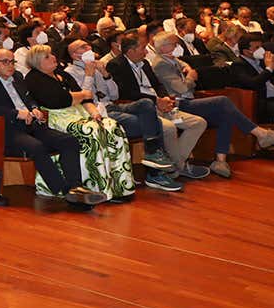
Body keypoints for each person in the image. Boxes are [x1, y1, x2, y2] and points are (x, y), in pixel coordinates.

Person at [148, 31, 274, 178]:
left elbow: (183, 64)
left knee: (225, 115)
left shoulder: (171, 59)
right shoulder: (161, 64)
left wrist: (188, 68)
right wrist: (191, 77)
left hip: (188, 100)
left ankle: (220, 161)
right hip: (176, 105)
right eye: (174, 44)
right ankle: (261, 134)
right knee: (222, 101)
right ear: (163, 48)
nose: (178, 46)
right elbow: (183, 88)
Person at [0, 49, 107, 206]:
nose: (10, 66)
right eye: (5, 62)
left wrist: (34, 108)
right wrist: (16, 113)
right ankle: (65, 191)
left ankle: (75, 187)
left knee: (68, 140)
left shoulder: (17, 76)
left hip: (31, 123)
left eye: (12, 62)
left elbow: (29, 98)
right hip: (7, 128)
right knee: (37, 146)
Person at [63, 39, 181, 191]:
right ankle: (155, 173)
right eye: (83, 47)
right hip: (95, 113)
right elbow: (84, 98)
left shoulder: (99, 66)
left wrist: (105, 74)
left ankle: (152, 154)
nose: (89, 48)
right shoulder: (69, 73)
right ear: (74, 55)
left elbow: (114, 94)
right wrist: (89, 75)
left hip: (112, 106)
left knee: (146, 103)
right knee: (153, 123)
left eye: (88, 45)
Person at [23, 45, 136, 201]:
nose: (54, 57)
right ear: (37, 62)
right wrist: (81, 95)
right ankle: (96, 187)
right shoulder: (34, 79)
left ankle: (119, 186)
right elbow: (61, 100)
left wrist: (94, 112)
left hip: (80, 112)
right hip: (59, 117)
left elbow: (86, 98)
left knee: (112, 126)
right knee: (92, 131)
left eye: (52, 54)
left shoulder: (61, 74)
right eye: (47, 56)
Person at [106, 32, 211, 181]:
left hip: (162, 105)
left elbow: (157, 85)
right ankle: (180, 167)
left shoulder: (145, 63)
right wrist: (156, 101)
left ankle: (175, 166)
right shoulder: (116, 65)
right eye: (143, 48)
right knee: (169, 127)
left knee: (198, 123)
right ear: (131, 51)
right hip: (144, 109)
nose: (147, 51)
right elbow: (127, 93)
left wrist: (164, 97)